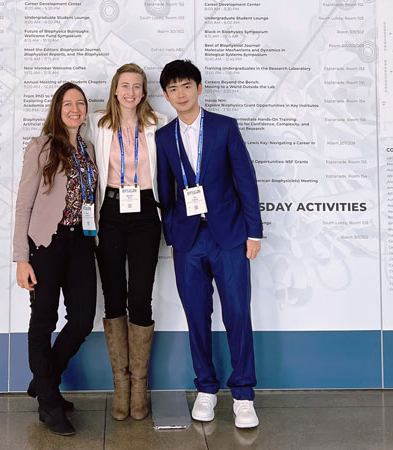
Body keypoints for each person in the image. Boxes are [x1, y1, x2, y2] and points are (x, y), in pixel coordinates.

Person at [155, 60, 263, 429]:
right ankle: (205, 388)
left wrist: (254, 232)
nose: (180, 94)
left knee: (236, 313)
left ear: (199, 88)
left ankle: (244, 394)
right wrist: (172, 236)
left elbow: (245, 180)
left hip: (230, 237)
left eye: (186, 85)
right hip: (188, 241)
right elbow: (165, 191)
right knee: (196, 317)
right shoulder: (163, 136)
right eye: (173, 89)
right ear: (167, 96)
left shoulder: (224, 127)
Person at [13, 82, 98, 436]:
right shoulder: (41, 146)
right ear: (56, 108)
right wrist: (21, 257)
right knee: (44, 319)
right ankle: (48, 403)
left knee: (82, 320)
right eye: (68, 103)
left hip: (81, 242)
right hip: (46, 244)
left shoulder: (89, 148)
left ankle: (44, 381)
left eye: (80, 103)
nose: (75, 109)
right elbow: (24, 204)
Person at [85, 63, 168, 420]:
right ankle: (121, 383)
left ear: (144, 91)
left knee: (141, 296)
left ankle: (140, 387)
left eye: (137, 86)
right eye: (124, 85)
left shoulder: (160, 123)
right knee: (114, 294)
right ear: (115, 90)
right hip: (112, 211)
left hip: (147, 211)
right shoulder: (98, 122)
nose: (131, 92)